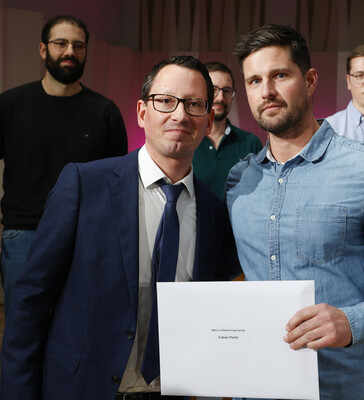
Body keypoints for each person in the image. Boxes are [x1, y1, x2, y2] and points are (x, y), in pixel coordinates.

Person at [0, 55, 240, 400]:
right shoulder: (83, 185)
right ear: (142, 112)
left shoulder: (215, 213)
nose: (180, 115)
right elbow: (30, 301)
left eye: (194, 104)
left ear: (207, 121)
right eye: (166, 100)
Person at [226, 24, 364, 400]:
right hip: (260, 388)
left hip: (354, 388)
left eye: (280, 75)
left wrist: (352, 322)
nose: (266, 91)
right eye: (254, 81)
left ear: (309, 80)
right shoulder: (239, 182)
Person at [0, 14, 128, 316]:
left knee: (77, 324)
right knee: (23, 325)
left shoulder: (105, 112)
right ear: (43, 49)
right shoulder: (10, 105)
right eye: (61, 43)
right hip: (24, 233)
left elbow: (117, 183)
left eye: (78, 45)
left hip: (85, 235)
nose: (70, 51)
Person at [192, 62, 262, 200]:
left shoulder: (251, 143)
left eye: (227, 91)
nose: (220, 97)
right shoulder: (186, 140)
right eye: (213, 89)